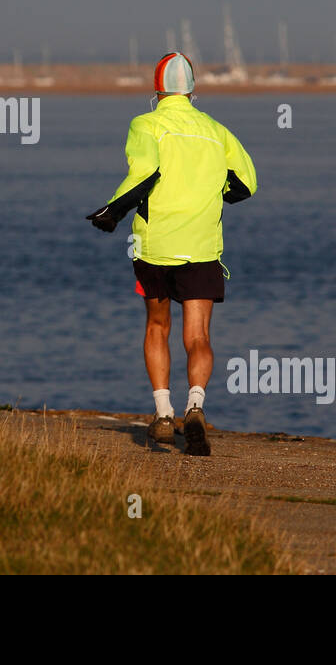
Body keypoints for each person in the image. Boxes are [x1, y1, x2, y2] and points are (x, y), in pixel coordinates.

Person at [86, 52, 257, 456]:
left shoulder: (146, 124)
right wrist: (210, 196)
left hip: (157, 245)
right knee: (197, 335)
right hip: (202, 244)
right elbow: (246, 184)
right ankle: (195, 406)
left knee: (156, 327)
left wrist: (112, 211)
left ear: (156, 89)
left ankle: (163, 415)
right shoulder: (217, 130)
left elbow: (143, 174)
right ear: (192, 90)